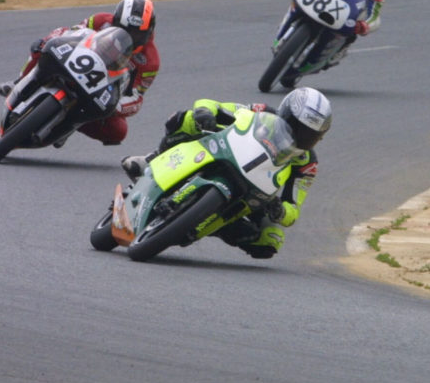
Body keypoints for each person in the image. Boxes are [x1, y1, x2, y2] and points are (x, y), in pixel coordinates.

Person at [120, 87, 332, 259]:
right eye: (297, 126)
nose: (300, 136)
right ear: (285, 113)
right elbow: (217, 106)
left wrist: (280, 211)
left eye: (310, 135)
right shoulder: (264, 112)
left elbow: (294, 208)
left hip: (259, 191)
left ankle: (205, 223)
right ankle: (152, 159)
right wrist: (205, 113)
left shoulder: (307, 164)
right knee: (186, 119)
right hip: (231, 151)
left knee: (270, 241)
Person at [0, 0, 159, 147]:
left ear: (149, 31)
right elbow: (71, 32)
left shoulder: (150, 62)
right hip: (77, 61)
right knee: (41, 48)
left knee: (119, 131)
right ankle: (19, 81)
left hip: (102, 89)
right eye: (123, 29)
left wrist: (118, 106)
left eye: (136, 34)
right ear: (115, 20)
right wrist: (48, 40)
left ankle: (71, 125)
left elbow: (136, 98)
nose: (129, 37)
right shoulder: (101, 20)